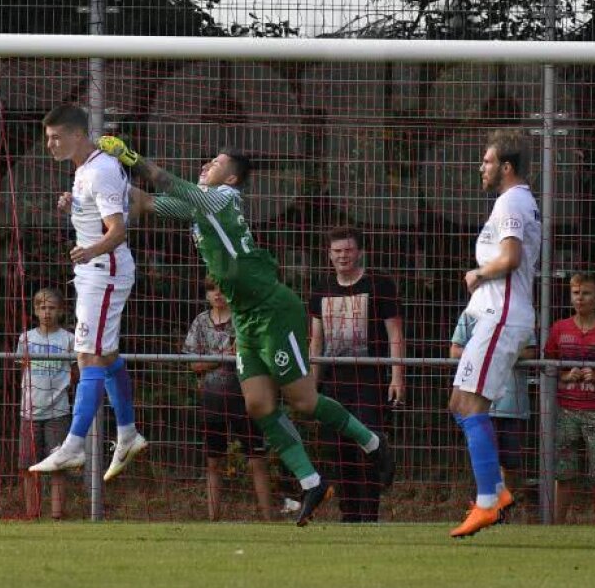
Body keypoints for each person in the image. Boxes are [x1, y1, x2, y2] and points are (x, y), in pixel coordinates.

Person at [97, 137, 394, 527]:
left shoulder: (223, 199)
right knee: (258, 405)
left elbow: (170, 185)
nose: (206, 164)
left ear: (231, 177)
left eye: (215, 161)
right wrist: (96, 176)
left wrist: (131, 158)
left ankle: (374, 444)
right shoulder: (199, 207)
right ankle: (311, 481)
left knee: (302, 400)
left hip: (273, 309)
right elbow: (145, 201)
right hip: (247, 317)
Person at [28, 105, 146, 481]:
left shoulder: (101, 170)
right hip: (94, 272)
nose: (50, 145)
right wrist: (72, 208)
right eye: (47, 138)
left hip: (104, 272)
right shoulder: (85, 170)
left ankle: (74, 445)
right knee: (105, 354)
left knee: (87, 356)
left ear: (78, 135)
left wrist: (90, 250)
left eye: (56, 137)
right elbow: (97, 217)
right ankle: (127, 433)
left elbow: (117, 230)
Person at [447, 128, 542, 537]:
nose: (480, 167)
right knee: (459, 401)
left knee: (471, 404)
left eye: (486, 161)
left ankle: (488, 500)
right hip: (493, 315)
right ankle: (497, 491)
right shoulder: (512, 201)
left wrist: (477, 274)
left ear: (506, 166)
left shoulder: (511, 202)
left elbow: (510, 257)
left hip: (502, 317)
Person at [309, 225, 405, 523]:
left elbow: (395, 333)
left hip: (370, 380)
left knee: (368, 447)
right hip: (334, 384)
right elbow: (316, 341)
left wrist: (397, 376)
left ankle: (369, 515)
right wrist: (311, 385)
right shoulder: (320, 290)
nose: (343, 256)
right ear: (329, 255)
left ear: (360, 252)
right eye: (337, 251)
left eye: (348, 250)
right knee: (338, 451)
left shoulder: (379, 285)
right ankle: (348, 516)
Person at [184, 277, 273, 522]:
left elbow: (253, 354)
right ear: (206, 294)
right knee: (214, 462)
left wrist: (220, 359)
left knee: (257, 460)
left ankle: (268, 518)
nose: (218, 294)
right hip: (212, 402)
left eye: (222, 289)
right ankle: (214, 519)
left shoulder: (243, 320)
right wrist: (223, 357)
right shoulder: (200, 322)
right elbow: (193, 363)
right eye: (212, 289)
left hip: (246, 399)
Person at [544, 273, 595, 524]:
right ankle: (556, 525)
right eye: (576, 293)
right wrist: (566, 374)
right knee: (564, 472)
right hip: (566, 408)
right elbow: (548, 363)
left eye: (587, 293)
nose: (580, 298)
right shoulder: (560, 328)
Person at [450, 311, 536, 520]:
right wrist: (481, 352)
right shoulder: (471, 313)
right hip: (478, 403)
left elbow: (531, 352)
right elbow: (455, 351)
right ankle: (484, 507)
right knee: (485, 457)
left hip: (511, 404)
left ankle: (502, 510)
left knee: (511, 462)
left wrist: (500, 352)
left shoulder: (519, 312)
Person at [17, 287, 77, 519]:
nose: (46, 312)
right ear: (35, 311)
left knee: (58, 466)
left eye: (51, 308)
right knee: (28, 466)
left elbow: (75, 372)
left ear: (61, 311)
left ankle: (56, 516)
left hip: (58, 412)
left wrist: (60, 388)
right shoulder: (26, 339)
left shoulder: (69, 339)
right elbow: (23, 369)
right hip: (29, 411)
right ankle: (32, 514)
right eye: (42, 308)